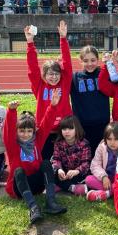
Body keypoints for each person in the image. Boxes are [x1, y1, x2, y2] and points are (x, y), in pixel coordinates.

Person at [3, 92, 66, 224]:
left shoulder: (37, 141)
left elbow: (46, 124)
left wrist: (53, 106)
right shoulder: (13, 145)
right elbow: (8, 131)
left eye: (29, 131)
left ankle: (51, 202)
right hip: (19, 187)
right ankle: (33, 207)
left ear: (33, 132)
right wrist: (11, 111)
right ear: (17, 131)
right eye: (22, 131)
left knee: (46, 163)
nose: (25, 134)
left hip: (36, 186)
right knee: (19, 171)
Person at [25, 21, 72, 160]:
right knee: (44, 160)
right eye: (50, 74)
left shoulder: (64, 83)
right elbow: (32, 67)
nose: (54, 77)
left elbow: (67, 63)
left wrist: (63, 39)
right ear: (44, 75)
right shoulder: (39, 85)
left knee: (63, 160)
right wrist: (30, 43)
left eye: (57, 74)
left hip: (63, 130)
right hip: (44, 129)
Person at [71, 46, 118, 155]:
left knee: (101, 155)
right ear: (80, 61)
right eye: (86, 61)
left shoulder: (105, 74)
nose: (90, 64)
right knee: (85, 156)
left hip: (102, 124)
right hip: (82, 126)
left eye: (93, 60)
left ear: (98, 60)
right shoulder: (75, 78)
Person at [85, 121, 118, 201]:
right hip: (105, 180)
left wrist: (117, 180)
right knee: (88, 179)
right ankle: (112, 191)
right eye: (109, 139)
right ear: (105, 138)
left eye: (116, 139)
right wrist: (103, 177)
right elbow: (95, 165)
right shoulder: (102, 147)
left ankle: (106, 194)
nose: (112, 142)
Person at [51, 115, 91, 196]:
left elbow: (86, 163)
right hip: (64, 173)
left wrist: (77, 171)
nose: (67, 132)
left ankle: (64, 186)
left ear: (77, 129)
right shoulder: (58, 143)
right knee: (52, 172)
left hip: (79, 173)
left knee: (88, 178)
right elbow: (56, 159)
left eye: (70, 129)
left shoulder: (84, 143)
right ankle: (72, 187)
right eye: (64, 129)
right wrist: (59, 170)